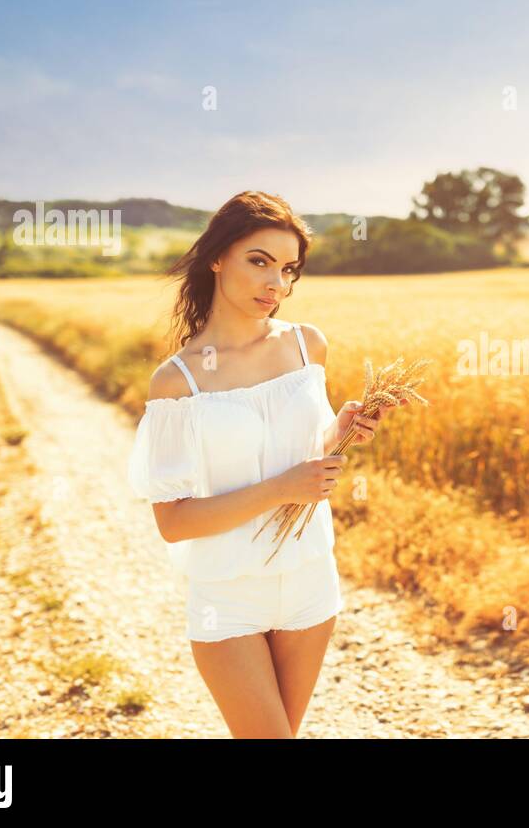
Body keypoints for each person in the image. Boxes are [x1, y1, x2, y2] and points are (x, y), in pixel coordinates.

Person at [126, 190, 405, 737]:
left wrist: (339, 433)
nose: (276, 284)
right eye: (259, 262)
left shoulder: (307, 346)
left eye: (288, 269)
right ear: (216, 257)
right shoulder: (177, 381)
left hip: (309, 578)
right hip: (228, 595)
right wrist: (282, 487)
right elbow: (174, 522)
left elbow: (303, 456)